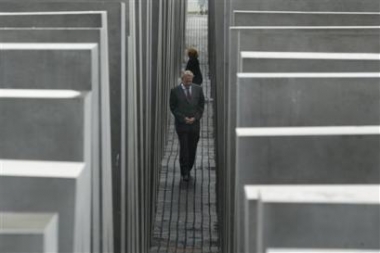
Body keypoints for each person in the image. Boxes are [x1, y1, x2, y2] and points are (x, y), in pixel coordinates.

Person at [170, 70, 205, 181]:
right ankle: (184, 172)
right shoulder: (175, 91)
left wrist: (195, 118)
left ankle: (188, 168)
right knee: (184, 148)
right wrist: (183, 118)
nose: (189, 82)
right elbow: (173, 107)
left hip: (194, 125)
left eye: (190, 81)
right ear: (182, 79)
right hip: (182, 125)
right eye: (187, 81)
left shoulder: (198, 89)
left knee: (192, 148)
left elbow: (201, 105)